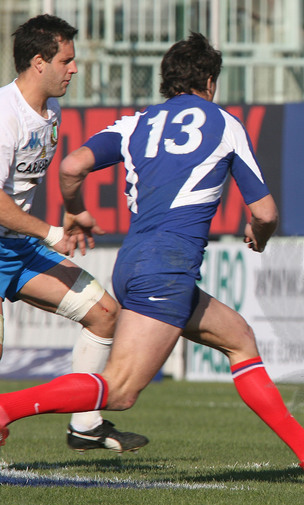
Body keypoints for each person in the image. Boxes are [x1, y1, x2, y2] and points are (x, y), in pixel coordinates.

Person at [0, 32, 304, 482]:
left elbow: (72, 166)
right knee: (122, 388)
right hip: (167, 268)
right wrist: (259, 236)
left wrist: (75, 210)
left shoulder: (136, 122)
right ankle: (5, 408)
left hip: (136, 262)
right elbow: (265, 212)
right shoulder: (225, 124)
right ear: (210, 82)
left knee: (239, 338)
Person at [0, 14, 148, 453]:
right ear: (38, 61)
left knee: (104, 312)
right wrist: (49, 232)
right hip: (22, 240)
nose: (74, 69)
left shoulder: (52, 112)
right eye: (67, 60)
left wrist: (71, 212)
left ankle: (84, 426)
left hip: (17, 248)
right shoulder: (5, 116)